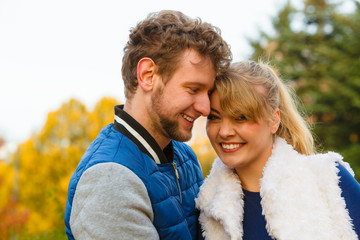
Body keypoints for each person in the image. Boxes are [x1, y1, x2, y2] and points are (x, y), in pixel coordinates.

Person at [64, 10, 231, 240]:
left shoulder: (184, 157)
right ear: (148, 75)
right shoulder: (110, 180)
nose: (205, 108)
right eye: (193, 89)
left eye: (208, 92)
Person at [196, 61, 360, 240]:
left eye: (240, 117)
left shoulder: (329, 179)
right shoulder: (207, 205)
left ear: (274, 121)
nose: (224, 132)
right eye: (214, 117)